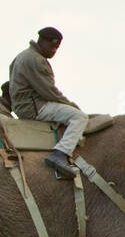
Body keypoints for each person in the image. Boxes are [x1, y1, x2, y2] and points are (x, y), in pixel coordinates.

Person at [8, 27, 87, 179]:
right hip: (34, 106)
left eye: (56, 48)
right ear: (41, 42)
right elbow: (50, 92)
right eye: (52, 47)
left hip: (22, 105)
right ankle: (61, 154)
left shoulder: (22, 55)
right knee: (79, 117)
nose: (53, 51)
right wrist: (71, 105)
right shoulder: (36, 60)